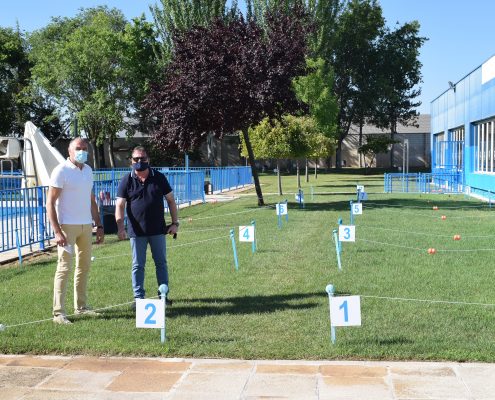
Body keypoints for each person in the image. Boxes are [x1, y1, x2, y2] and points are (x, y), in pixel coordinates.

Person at [47, 137, 104, 325]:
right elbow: (50, 202)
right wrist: (57, 231)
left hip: (86, 226)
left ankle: (81, 307)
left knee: (84, 267)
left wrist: (99, 224)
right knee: (64, 268)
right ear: (69, 151)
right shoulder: (61, 171)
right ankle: (58, 313)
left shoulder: (88, 170)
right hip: (66, 227)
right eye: (78, 148)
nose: (82, 151)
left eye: (85, 148)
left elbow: (91, 199)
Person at [115, 146, 178, 306]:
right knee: (138, 265)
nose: (139, 162)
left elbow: (171, 200)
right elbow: (120, 205)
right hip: (136, 232)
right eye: (136, 159)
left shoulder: (159, 177)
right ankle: (138, 298)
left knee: (161, 263)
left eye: (142, 159)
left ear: (148, 160)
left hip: (158, 230)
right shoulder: (126, 180)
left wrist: (175, 223)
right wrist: (120, 227)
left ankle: (163, 296)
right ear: (131, 161)